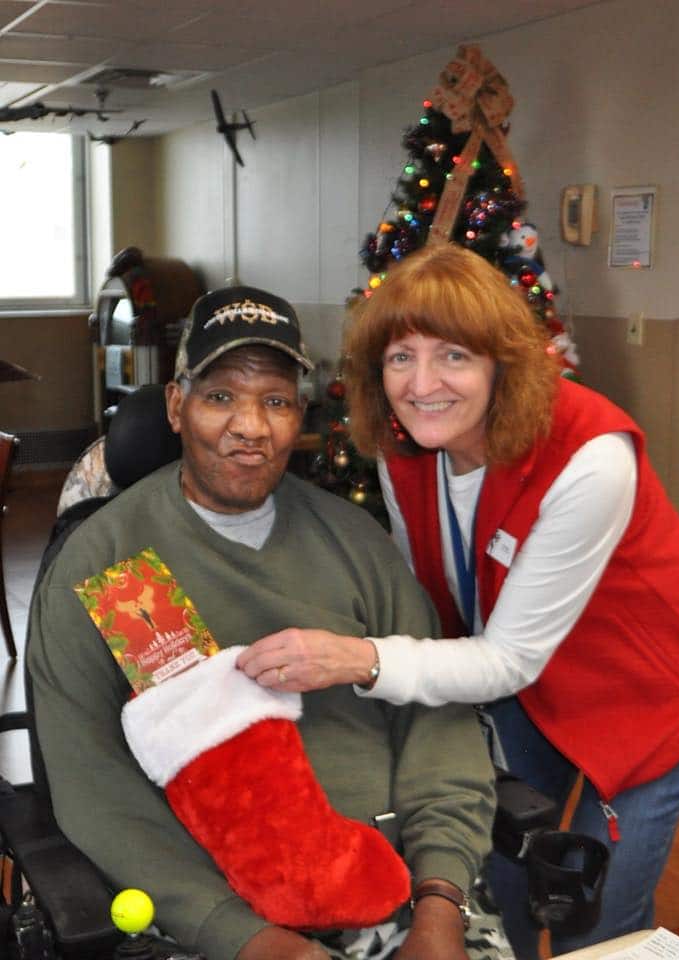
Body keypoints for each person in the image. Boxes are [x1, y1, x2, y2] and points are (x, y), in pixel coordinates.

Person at [236, 246, 679, 957]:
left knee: (590, 918)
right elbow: (425, 596)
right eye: (400, 356)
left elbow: (505, 658)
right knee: (499, 876)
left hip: (647, 694)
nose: (422, 384)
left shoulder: (590, 456)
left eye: (454, 356)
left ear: (502, 364)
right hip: (529, 685)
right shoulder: (401, 447)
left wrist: (355, 659)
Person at [27, 284, 514, 960]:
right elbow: (94, 790)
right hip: (211, 913)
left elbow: (438, 722)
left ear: (301, 415)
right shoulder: (106, 564)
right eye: (220, 396)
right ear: (176, 405)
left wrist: (439, 901)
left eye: (276, 400)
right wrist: (248, 938)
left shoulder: (357, 544)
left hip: (398, 884)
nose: (250, 427)